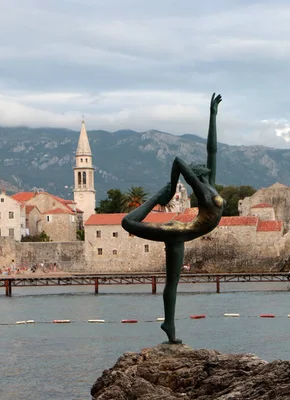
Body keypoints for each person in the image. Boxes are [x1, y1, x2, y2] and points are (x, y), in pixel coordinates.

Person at [122, 93, 225, 344]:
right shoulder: (201, 189)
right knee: (127, 223)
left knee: (173, 282)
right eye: (200, 167)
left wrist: (212, 116)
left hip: (182, 233)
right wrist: (170, 187)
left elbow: (212, 149)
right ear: (196, 174)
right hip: (178, 231)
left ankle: (169, 324)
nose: (205, 165)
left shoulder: (209, 183)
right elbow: (178, 161)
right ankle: (159, 195)